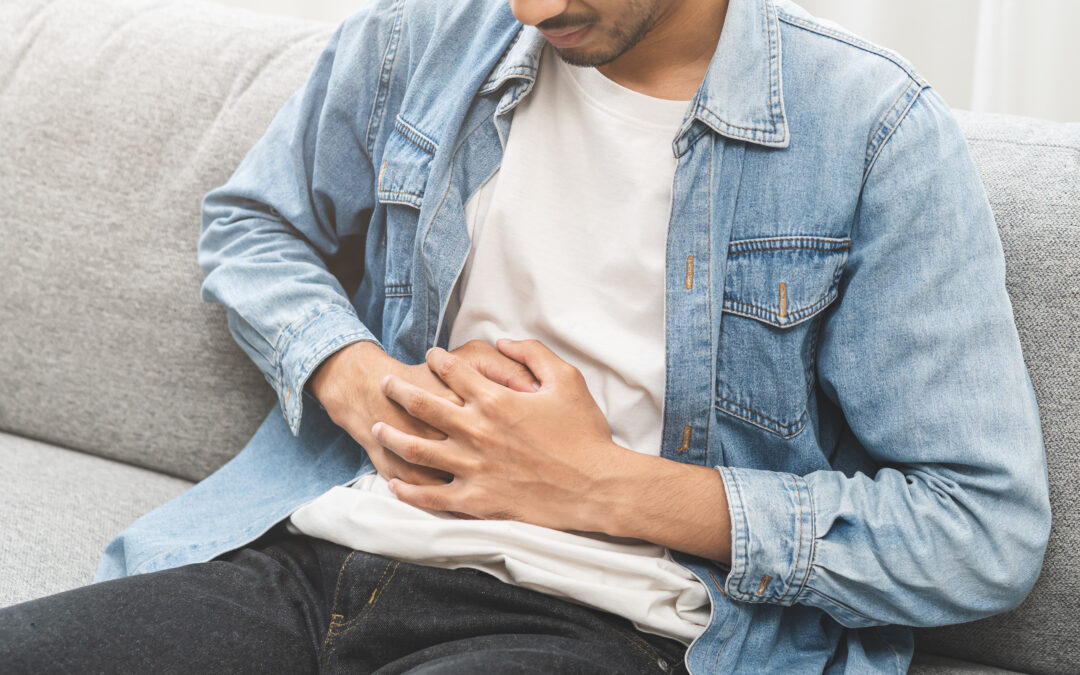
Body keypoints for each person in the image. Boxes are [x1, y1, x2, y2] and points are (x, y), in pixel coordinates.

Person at [0, 0, 1051, 672]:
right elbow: (254, 221)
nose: (530, 6)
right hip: (316, 556)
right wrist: (349, 369)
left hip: (600, 623)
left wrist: (598, 484)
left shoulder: (871, 134)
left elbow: (979, 532)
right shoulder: (423, 35)